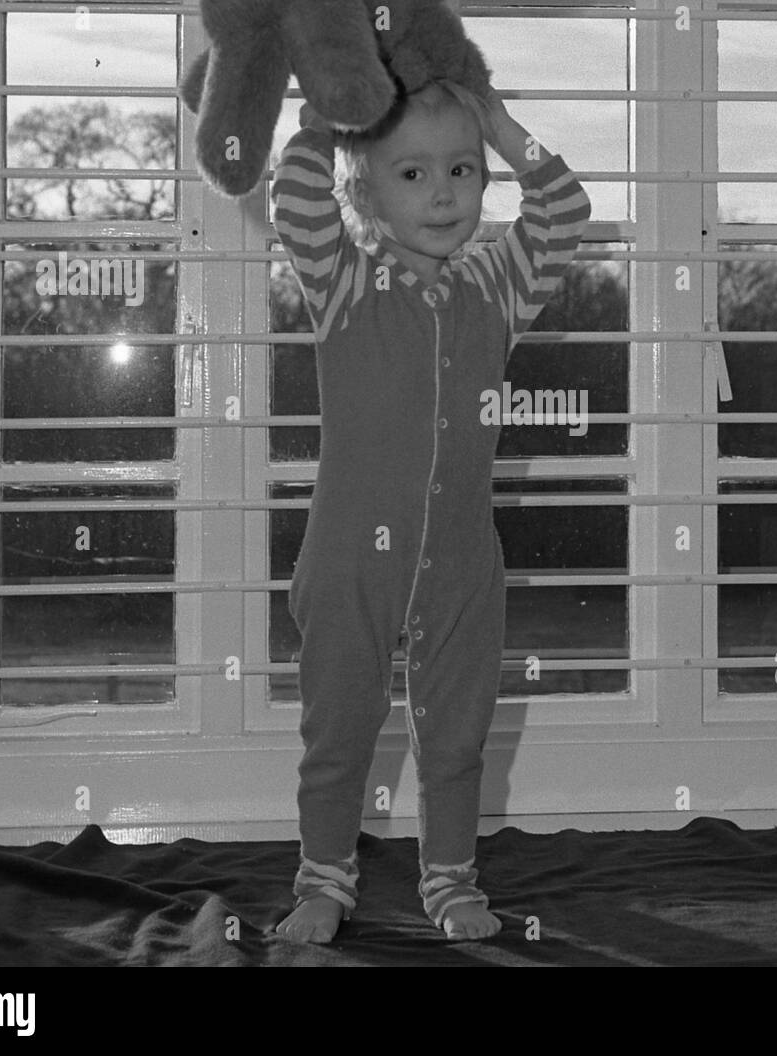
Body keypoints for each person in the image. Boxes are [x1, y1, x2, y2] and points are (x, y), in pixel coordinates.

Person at [270, 81, 590, 939]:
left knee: (456, 740)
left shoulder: (496, 289)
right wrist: (324, 123)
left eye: (461, 168)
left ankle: (451, 879)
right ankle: (324, 880)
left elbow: (562, 211)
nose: (444, 192)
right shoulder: (343, 286)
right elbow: (296, 198)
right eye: (412, 173)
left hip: (461, 565)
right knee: (337, 731)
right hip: (349, 559)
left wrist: (504, 130)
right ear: (364, 192)